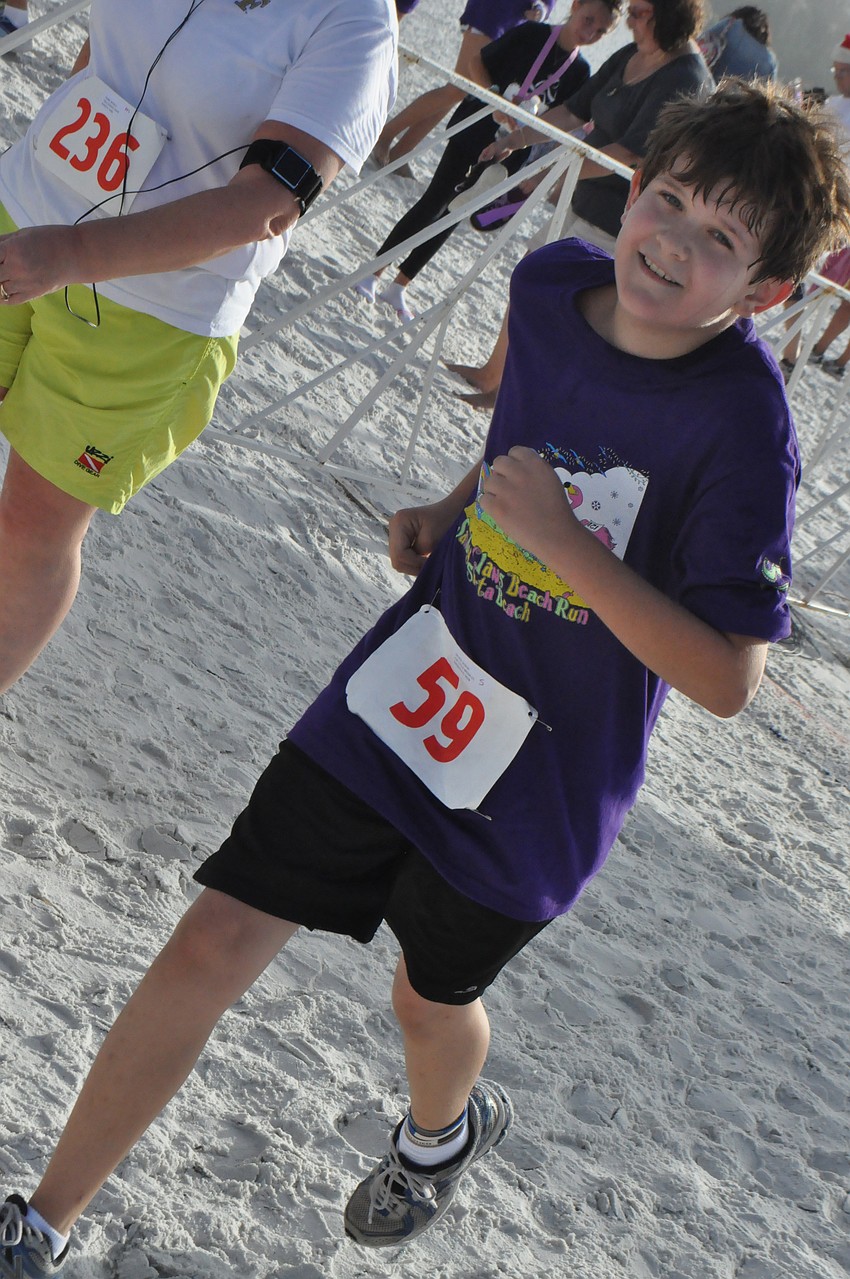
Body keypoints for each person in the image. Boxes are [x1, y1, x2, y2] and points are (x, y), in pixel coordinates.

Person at [2, 79, 849, 1274]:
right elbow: (530, 439)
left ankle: (444, 1130)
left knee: (426, 998)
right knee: (216, 934)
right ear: (632, 187)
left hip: (542, 784)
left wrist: (559, 546)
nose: (671, 242)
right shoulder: (551, 284)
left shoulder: (745, 430)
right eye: (667, 200)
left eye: (720, 239)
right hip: (411, 685)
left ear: (764, 292)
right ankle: (42, 1221)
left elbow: (726, 677)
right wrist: (456, 508)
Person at [0, 0, 397, 698]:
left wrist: (74, 251)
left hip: (153, 311)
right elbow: (104, 59)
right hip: (23, 213)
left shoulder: (355, 21)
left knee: (32, 526)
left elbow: (265, 204)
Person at [447, 0, 713, 402]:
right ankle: (493, 376)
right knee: (532, 274)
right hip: (582, 193)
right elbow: (574, 111)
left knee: (564, 308)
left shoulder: (685, 79)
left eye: (640, 12)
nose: (629, 21)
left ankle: (513, 394)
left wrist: (549, 175)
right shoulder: (633, 54)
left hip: (623, 218)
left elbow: (629, 154)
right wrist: (516, 138)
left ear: (670, 15)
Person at [357, 0, 621, 322]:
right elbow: (477, 63)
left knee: (456, 213)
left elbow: (561, 119)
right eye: (589, 20)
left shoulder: (580, 72)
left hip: (510, 150)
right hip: (475, 126)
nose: (590, 32)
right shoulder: (531, 33)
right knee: (436, 200)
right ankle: (374, 272)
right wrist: (494, 97)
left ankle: (400, 284)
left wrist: (523, 143)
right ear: (576, 6)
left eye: (601, 31)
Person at [373, 0, 554, 173]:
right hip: (491, 13)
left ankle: (401, 150)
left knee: (457, 91)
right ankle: (386, 135)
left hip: (514, 22)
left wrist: (541, 9)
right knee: (458, 89)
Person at [779, 34, 850, 382]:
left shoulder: (840, 109)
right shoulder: (835, 103)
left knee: (792, 273)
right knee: (789, 275)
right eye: (834, 70)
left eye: (842, 71)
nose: (836, 77)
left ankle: (797, 352)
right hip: (807, 199)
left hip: (824, 208)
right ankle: (793, 352)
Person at [697, 6, 776, 81]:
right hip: (732, 91)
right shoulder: (770, 62)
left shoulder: (730, 25)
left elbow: (699, 43)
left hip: (704, 83)